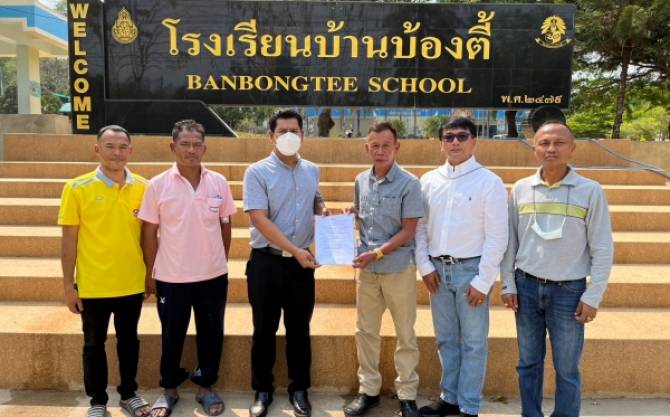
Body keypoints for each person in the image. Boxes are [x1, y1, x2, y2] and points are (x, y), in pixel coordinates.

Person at [500, 120, 613, 417]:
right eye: (544, 143)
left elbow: (602, 247)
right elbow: (509, 241)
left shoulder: (590, 191)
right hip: (526, 287)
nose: (551, 149)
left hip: (569, 292)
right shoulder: (521, 189)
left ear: (572, 148)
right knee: (528, 363)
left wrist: (593, 295)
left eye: (559, 143)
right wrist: (507, 283)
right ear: (534, 149)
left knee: (567, 367)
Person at [139, 120, 237, 417]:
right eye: (185, 144)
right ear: (173, 147)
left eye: (197, 145)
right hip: (171, 277)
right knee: (172, 334)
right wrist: (150, 273)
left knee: (212, 333)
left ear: (204, 148)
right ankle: (169, 388)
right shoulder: (157, 185)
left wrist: (219, 261)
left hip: (213, 276)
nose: (191, 150)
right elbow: (148, 233)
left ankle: (205, 386)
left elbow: (226, 225)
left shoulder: (218, 182)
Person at [415, 117, 509, 417]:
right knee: (446, 339)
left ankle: (469, 406)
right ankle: (450, 398)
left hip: (471, 271)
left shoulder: (489, 182)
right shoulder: (428, 181)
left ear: (474, 141)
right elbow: (419, 227)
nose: (455, 142)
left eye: (462, 136)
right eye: (449, 137)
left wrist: (483, 281)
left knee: (473, 343)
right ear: (441, 143)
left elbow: (497, 236)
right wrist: (424, 266)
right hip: (437, 272)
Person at [59, 125, 151, 417]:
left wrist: (149, 276)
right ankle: (97, 401)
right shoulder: (77, 188)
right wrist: (68, 285)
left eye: (122, 147)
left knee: (129, 341)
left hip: (131, 282)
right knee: (93, 344)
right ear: (97, 149)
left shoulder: (144, 187)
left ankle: (129, 394)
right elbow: (69, 240)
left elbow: (148, 237)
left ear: (130, 151)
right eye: (109, 146)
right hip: (93, 284)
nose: (116, 152)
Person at [243, 109, 327, 417]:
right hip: (267, 262)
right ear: (271, 136)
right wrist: (294, 249)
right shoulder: (257, 172)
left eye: (295, 130)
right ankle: (262, 389)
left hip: (300, 266)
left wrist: (322, 210)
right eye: (282, 131)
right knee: (263, 329)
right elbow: (259, 218)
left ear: (303, 134)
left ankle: (299, 388)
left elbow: (316, 198)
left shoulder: (312, 170)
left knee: (299, 329)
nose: (289, 136)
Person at [342, 122, 424, 417]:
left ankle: (407, 395)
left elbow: (408, 230)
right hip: (367, 271)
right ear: (367, 148)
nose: (380, 151)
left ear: (396, 147)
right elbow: (362, 218)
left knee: (405, 333)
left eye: (386, 145)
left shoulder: (409, 183)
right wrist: (351, 214)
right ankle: (369, 391)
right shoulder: (360, 180)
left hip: (397, 268)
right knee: (366, 331)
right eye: (374, 145)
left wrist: (376, 253)